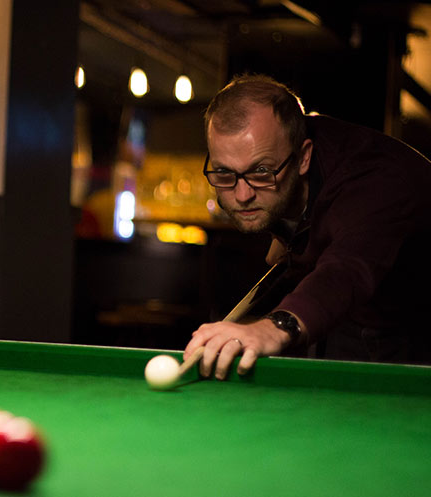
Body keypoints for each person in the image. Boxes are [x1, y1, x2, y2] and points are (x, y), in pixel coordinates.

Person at [184, 74, 431, 379]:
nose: (242, 195)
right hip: (349, 316)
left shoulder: (374, 182)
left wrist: (273, 328)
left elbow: (345, 270)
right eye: (224, 173)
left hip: (411, 325)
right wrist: (288, 235)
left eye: (261, 171)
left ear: (303, 158)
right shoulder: (278, 155)